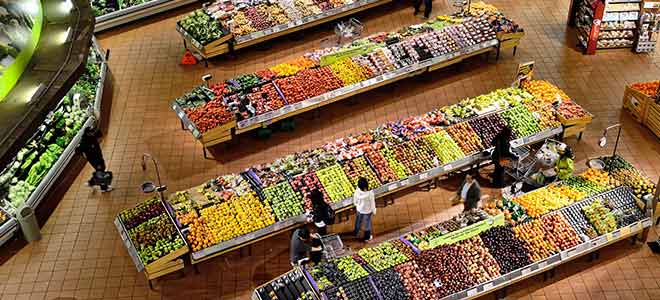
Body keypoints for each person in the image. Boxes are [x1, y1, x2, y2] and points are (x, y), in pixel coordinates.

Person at [77, 126, 112, 192]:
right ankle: (104, 188)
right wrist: (84, 155)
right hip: (94, 160)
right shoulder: (84, 142)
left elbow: (100, 134)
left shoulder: (92, 136)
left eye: (93, 131)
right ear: (87, 133)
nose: (93, 133)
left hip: (98, 156)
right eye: (91, 132)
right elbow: (78, 150)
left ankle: (91, 182)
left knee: (102, 169)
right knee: (101, 171)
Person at [353, 177, 375, 242]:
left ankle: (356, 232)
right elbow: (372, 203)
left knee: (358, 221)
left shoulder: (357, 192)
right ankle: (367, 237)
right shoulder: (370, 194)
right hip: (367, 211)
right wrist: (374, 211)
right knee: (367, 223)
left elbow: (355, 202)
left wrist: (358, 206)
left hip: (359, 209)